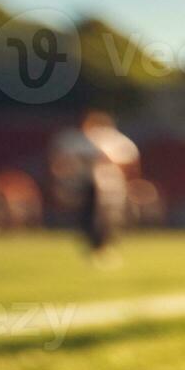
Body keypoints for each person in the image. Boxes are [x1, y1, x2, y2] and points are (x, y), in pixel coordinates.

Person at [49, 109, 139, 265]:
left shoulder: (113, 141)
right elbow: (60, 163)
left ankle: (103, 246)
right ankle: (95, 247)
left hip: (109, 187)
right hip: (86, 185)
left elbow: (129, 164)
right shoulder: (75, 140)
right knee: (89, 218)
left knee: (109, 219)